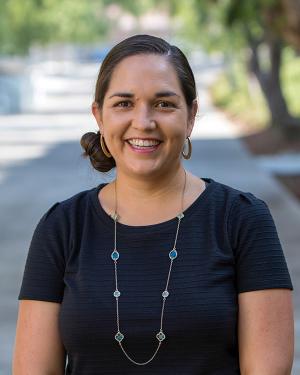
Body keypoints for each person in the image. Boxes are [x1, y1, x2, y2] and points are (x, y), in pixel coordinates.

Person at [13, 34, 294, 374]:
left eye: (163, 104)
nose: (143, 121)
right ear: (99, 116)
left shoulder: (243, 220)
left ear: (191, 115)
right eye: (124, 103)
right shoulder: (62, 226)